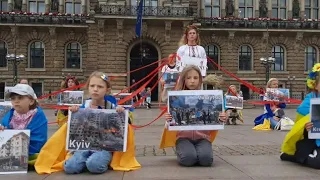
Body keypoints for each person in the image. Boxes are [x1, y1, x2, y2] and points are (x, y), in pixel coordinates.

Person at [34, 72, 141, 175]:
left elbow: (124, 129)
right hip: (83, 146)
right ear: (88, 88)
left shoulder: (112, 108)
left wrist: (121, 114)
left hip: (104, 148)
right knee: (69, 167)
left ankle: (99, 161)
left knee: (94, 165)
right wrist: (72, 113)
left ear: (107, 90)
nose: (95, 89)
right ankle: (85, 161)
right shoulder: (82, 107)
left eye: (100, 87)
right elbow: (70, 128)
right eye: (92, 86)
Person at [160, 65, 227, 167]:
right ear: (184, 80)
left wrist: (222, 118)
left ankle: (196, 152)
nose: (192, 81)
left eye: (195, 78)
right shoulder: (177, 97)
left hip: (203, 137)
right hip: (183, 138)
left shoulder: (206, 97)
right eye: (188, 78)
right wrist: (169, 119)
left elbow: (214, 118)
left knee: (206, 161)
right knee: (188, 160)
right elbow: (169, 125)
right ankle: (185, 152)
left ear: (200, 80)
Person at [280, 63, 320, 169]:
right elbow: (301, 122)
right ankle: (292, 156)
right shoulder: (310, 99)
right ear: (315, 85)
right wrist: (307, 128)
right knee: (317, 162)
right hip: (313, 141)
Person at [0, 84, 48, 166]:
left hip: (32, 155)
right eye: (13, 98)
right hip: (10, 154)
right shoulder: (9, 116)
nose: (16, 101)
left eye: (20, 98)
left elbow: (39, 141)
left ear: (31, 101)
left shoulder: (38, 116)